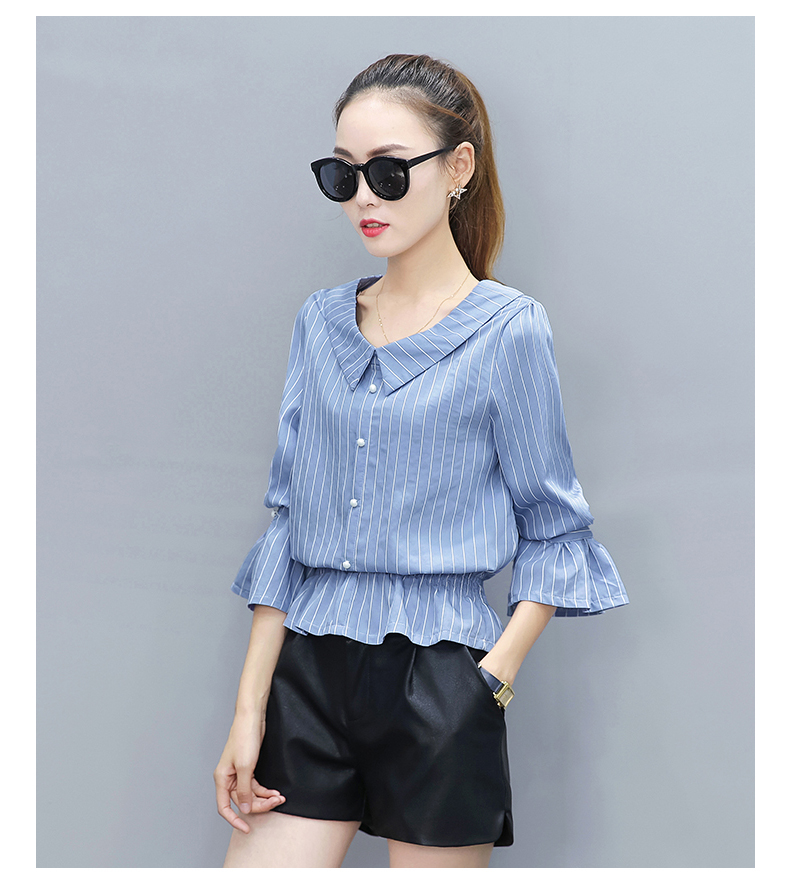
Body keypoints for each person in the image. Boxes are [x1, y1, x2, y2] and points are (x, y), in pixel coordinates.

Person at [214, 53, 629, 869]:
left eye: (389, 171)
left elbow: (554, 526)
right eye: (344, 175)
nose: (364, 198)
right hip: (307, 671)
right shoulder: (319, 323)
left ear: (458, 168)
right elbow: (290, 520)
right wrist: (249, 710)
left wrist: (490, 681)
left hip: (440, 680)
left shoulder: (508, 329)